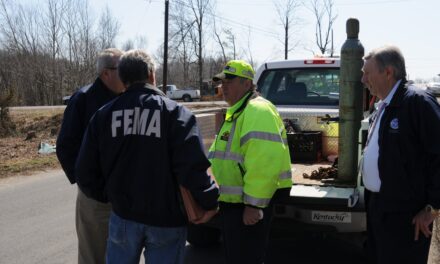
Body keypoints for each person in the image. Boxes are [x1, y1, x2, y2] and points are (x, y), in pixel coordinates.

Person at [75, 49, 219, 264]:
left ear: (123, 79)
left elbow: (85, 171)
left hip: (122, 216)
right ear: (152, 75)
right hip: (166, 221)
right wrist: (210, 202)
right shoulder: (176, 114)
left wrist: (110, 195)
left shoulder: (103, 116)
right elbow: (192, 168)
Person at [361, 45, 440, 264]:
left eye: (367, 73)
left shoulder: (418, 103)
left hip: (406, 216)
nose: (363, 80)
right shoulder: (383, 106)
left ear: (388, 72)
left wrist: (432, 209)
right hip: (379, 209)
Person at [208, 60, 292, 264]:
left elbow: (264, 162)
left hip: (246, 205)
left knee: (246, 258)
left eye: (230, 81)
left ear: (247, 84)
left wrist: (254, 205)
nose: (224, 86)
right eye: (222, 82)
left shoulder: (257, 111)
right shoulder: (238, 111)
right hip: (233, 204)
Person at [56, 48, 125, 264]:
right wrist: (89, 184)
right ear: (106, 73)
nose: (127, 73)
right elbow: (66, 145)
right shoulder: (84, 99)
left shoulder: (126, 98)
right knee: (93, 255)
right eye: (121, 69)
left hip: (123, 195)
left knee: (121, 253)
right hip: (96, 198)